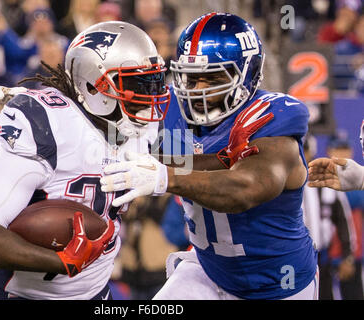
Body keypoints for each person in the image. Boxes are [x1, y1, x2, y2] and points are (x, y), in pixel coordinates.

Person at [101, 12, 319, 300]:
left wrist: (165, 177)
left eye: (213, 78)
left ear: (248, 73)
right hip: (209, 270)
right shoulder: (172, 110)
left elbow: (245, 189)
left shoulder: (273, 121)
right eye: (191, 78)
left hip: (279, 284)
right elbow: (110, 133)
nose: (198, 90)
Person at [0, 21, 172, 300]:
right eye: (135, 85)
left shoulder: (140, 124)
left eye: (152, 83)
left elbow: (181, 164)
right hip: (22, 295)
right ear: (92, 86)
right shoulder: (46, 127)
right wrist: (62, 262)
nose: (148, 98)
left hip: (95, 292)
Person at [302, 134, 357, 300]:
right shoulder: (278, 182)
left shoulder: (324, 179)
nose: (301, 155)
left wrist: (347, 256)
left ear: (312, 152)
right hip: (293, 256)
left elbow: (343, 220)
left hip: (321, 256)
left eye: (304, 150)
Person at [308, 120, 364, 191]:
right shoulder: (318, 179)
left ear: (352, 151)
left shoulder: (358, 179)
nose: (342, 154)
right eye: (338, 148)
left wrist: (361, 179)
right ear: (328, 151)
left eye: (345, 148)